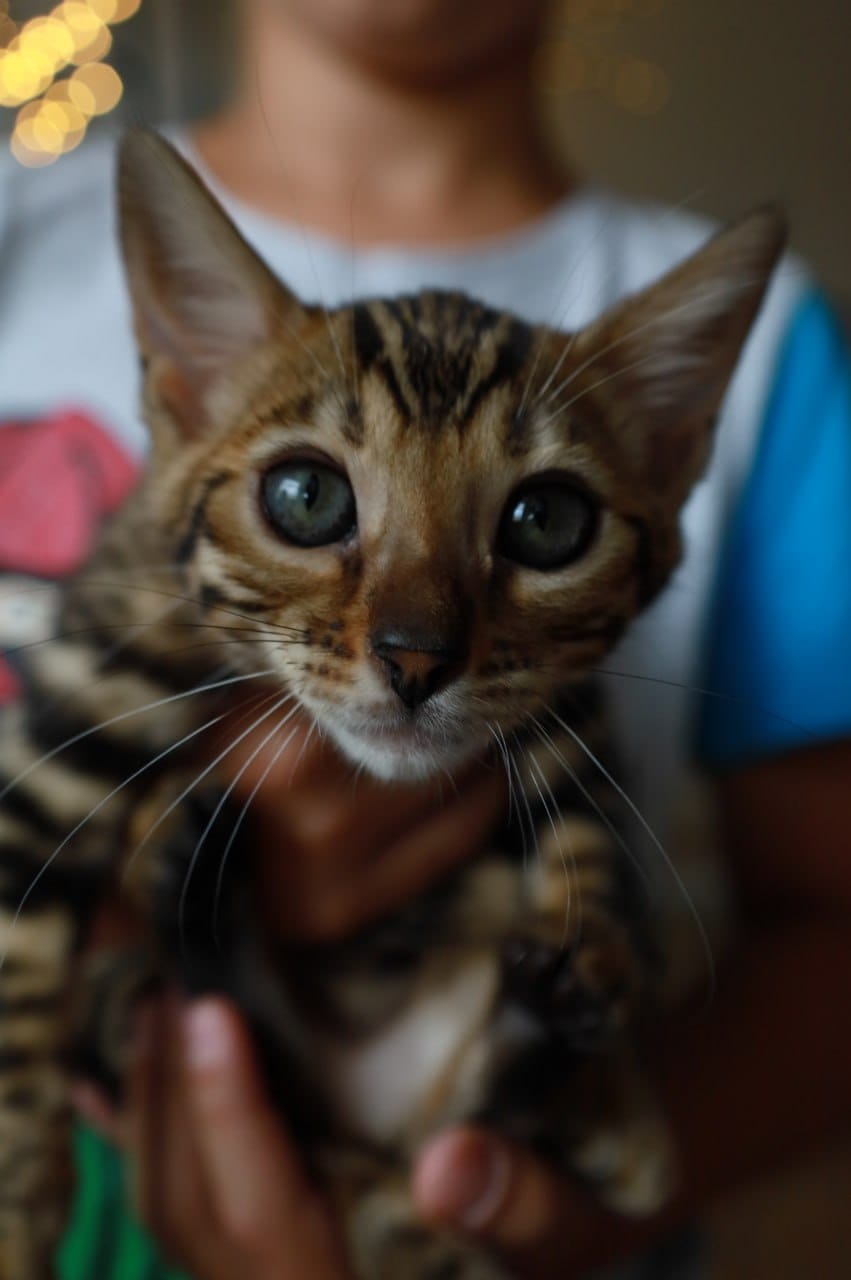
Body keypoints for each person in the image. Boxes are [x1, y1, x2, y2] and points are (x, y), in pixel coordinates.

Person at [1, 2, 850, 1277]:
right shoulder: (20, 244)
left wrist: (562, 1215)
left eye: (540, 520)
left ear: (671, 444)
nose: (413, 635)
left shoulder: (778, 351)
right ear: (181, 374)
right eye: (314, 501)